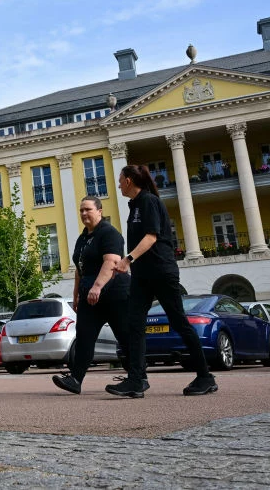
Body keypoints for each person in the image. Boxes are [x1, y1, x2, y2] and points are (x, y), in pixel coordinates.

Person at [105, 164, 218, 398]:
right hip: (143, 275)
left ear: (128, 180)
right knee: (134, 324)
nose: (117, 184)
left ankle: (205, 376)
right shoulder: (134, 206)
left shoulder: (148, 201)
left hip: (161, 271)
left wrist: (127, 260)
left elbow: (151, 236)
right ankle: (136, 380)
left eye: (119, 179)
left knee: (178, 322)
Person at [52, 196, 130, 395]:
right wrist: (76, 294)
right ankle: (75, 379)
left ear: (99, 211)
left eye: (88, 209)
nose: (84, 213)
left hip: (114, 294)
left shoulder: (109, 233)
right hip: (89, 297)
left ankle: (137, 377)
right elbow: (80, 269)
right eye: (81, 210)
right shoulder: (83, 238)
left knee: (125, 336)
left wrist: (97, 287)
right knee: (84, 336)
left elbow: (111, 262)